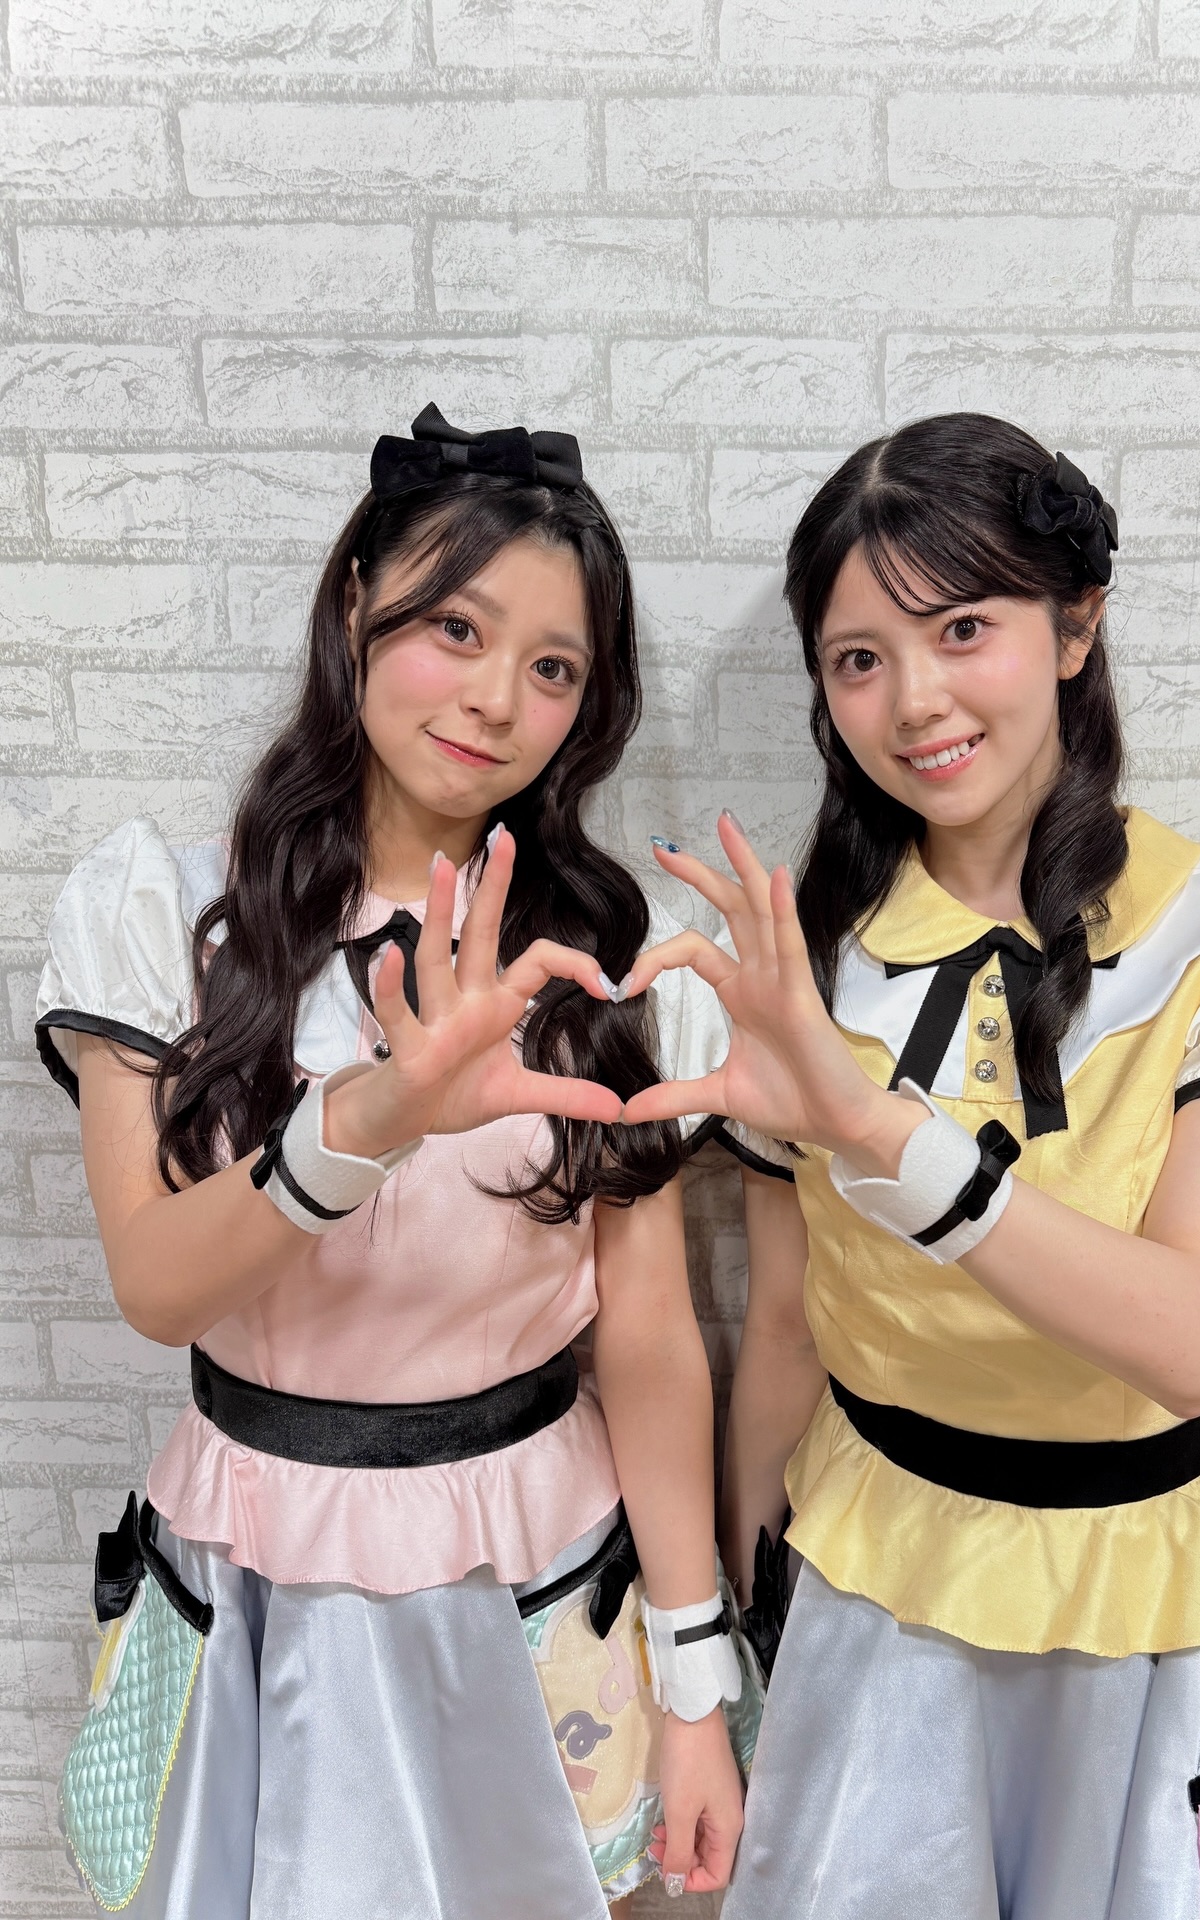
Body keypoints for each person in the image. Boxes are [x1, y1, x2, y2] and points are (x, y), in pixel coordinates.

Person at [622, 415, 1200, 1919]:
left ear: (1075, 626)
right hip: (884, 1594)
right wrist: (742, 1646)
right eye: (858, 659)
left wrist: (880, 1130)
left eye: (962, 629)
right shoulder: (800, 965)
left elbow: (1188, 1338)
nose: (915, 699)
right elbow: (784, 1329)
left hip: (1169, 1602)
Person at [35, 408, 749, 1919]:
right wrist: (360, 1125)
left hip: (534, 1570)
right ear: (355, 600)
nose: (497, 700)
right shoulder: (170, 918)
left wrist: (697, 1675)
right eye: (455, 629)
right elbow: (157, 1286)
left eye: (554, 669)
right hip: (254, 1575)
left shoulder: (612, 964)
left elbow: (649, 1336)